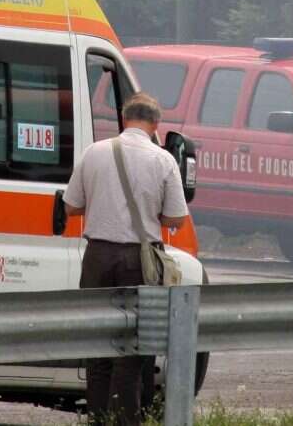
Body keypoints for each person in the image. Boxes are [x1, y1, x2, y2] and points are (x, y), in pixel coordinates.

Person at [63, 91, 189, 425]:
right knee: (133, 350)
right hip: (138, 261)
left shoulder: (94, 153)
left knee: (98, 347)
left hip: (97, 258)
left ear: (123, 118)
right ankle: (127, 421)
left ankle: (98, 419)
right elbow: (176, 218)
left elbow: (71, 205)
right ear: (155, 124)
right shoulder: (163, 160)